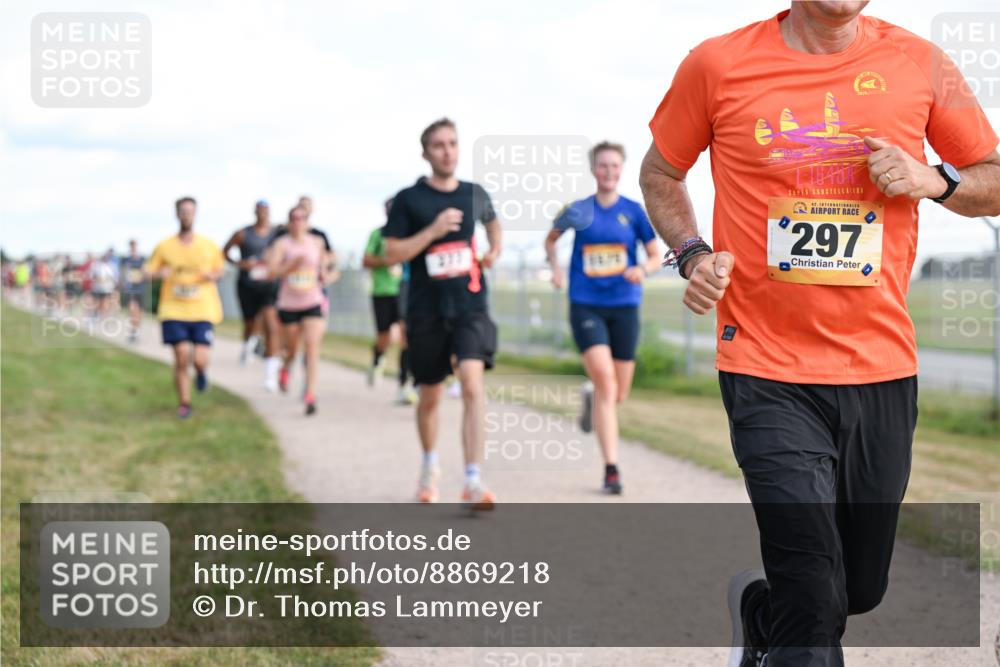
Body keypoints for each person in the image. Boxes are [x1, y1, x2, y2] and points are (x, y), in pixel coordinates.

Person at [638, 2, 1000, 665]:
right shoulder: (718, 63)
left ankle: (759, 611)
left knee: (855, 588)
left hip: (881, 367)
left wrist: (933, 180)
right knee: (812, 601)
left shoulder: (920, 63)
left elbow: (993, 178)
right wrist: (692, 253)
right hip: (764, 367)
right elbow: (661, 173)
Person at [383, 117, 502, 509]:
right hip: (426, 310)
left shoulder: (473, 193)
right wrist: (432, 232)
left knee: (471, 383)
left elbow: (492, 222)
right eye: (438, 145)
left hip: (469, 306)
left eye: (452, 143)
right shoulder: (408, 200)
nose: (447, 151)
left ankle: (472, 480)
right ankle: (429, 466)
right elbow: (392, 254)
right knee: (430, 396)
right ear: (425, 153)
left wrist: (493, 250)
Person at [545, 141, 661, 495]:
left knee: (617, 393)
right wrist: (557, 270)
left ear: (621, 170)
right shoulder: (578, 210)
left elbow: (655, 255)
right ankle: (612, 469)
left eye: (614, 166)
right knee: (608, 384)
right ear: (593, 170)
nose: (608, 172)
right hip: (586, 304)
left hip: (624, 304)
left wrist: (642, 268)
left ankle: (590, 398)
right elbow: (550, 240)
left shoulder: (634, 212)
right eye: (602, 166)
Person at [144, 197, 225, 419]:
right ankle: (185, 403)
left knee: (199, 358)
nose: (187, 215)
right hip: (173, 309)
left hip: (203, 308)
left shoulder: (208, 245)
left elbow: (221, 269)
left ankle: (201, 372)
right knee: (181, 356)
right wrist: (158, 274)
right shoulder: (165, 246)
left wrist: (213, 275)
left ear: (196, 214)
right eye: (183, 211)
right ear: (177, 214)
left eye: (190, 211)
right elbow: (148, 271)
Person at [267, 204, 328, 416]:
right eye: (294, 217)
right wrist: (291, 265)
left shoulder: (316, 242)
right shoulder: (281, 245)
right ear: (289, 221)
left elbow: (324, 268)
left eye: (302, 217)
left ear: (307, 221)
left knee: (312, 348)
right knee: (292, 350)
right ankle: (286, 367)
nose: (298, 221)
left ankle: (310, 394)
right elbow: (271, 272)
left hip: (312, 301)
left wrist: (325, 275)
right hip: (289, 304)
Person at [223, 200, 282, 390]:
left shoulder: (277, 233)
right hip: (247, 284)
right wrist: (240, 263)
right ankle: (248, 344)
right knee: (249, 322)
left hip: (269, 285)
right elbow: (224, 252)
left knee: (271, 324)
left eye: (266, 211)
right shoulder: (243, 233)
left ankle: (270, 373)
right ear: (255, 212)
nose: (262, 214)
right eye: (259, 211)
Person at [363, 197, 417, 404]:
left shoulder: (410, 234)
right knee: (385, 336)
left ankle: (404, 385)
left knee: (406, 336)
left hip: (405, 290)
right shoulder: (378, 235)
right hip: (382, 291)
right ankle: (378, 357)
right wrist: (387, 260)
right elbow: (366, 260)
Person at [120, 240, 147, 343]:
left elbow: (146, 272)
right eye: (131, 246)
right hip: (130, 289)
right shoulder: (126, 260)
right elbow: (123, 273)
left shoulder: (142, 259)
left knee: (139, 313)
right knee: (132, 310)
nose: (133, 248)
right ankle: (132, 331)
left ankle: (135, 331)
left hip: (141, 289)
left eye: (134, 246)